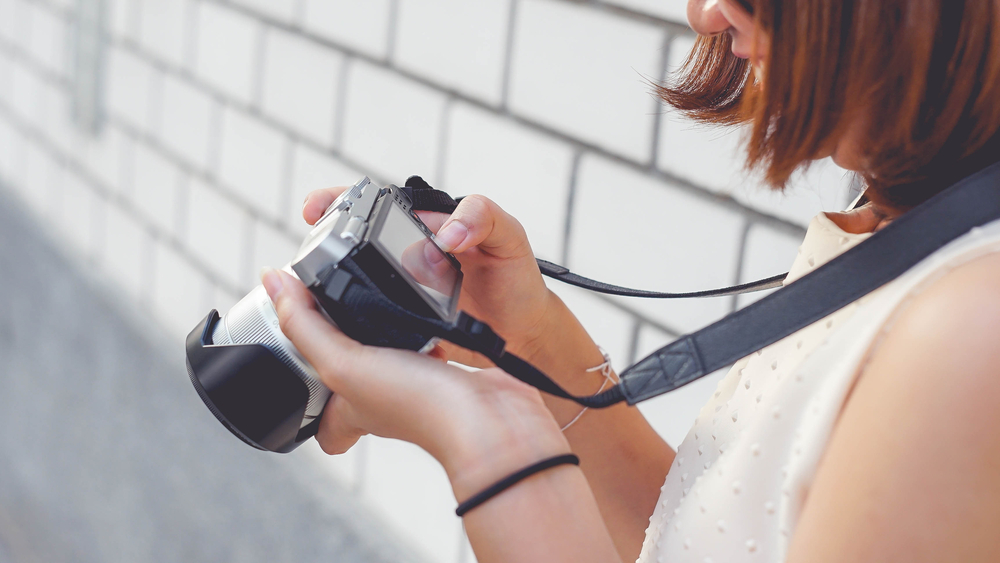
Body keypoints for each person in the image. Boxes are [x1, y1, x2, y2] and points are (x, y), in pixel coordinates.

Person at [260, 0, 1000, 561]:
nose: (706, 11)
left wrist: (489, 438)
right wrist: (530, 338)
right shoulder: (910, 225)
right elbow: (696, 535)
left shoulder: (972, 331)